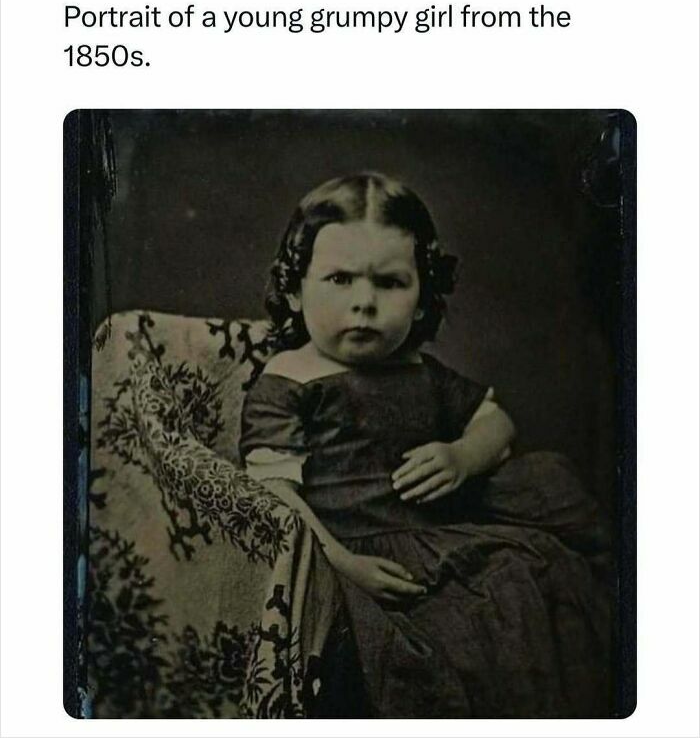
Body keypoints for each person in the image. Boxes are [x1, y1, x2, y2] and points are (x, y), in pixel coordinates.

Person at [239, 172, 611, 717]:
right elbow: (275, 496)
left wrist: (462, 457)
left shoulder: (420, 372)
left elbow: (496, 422)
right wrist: (341, 564)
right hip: (345, 553)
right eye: (340, 280)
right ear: (295, 291)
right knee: (432, 650)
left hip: (439, 540)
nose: (364, 303)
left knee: (522, 584)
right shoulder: (289, 379)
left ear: (420, 300)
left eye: (390, 283)